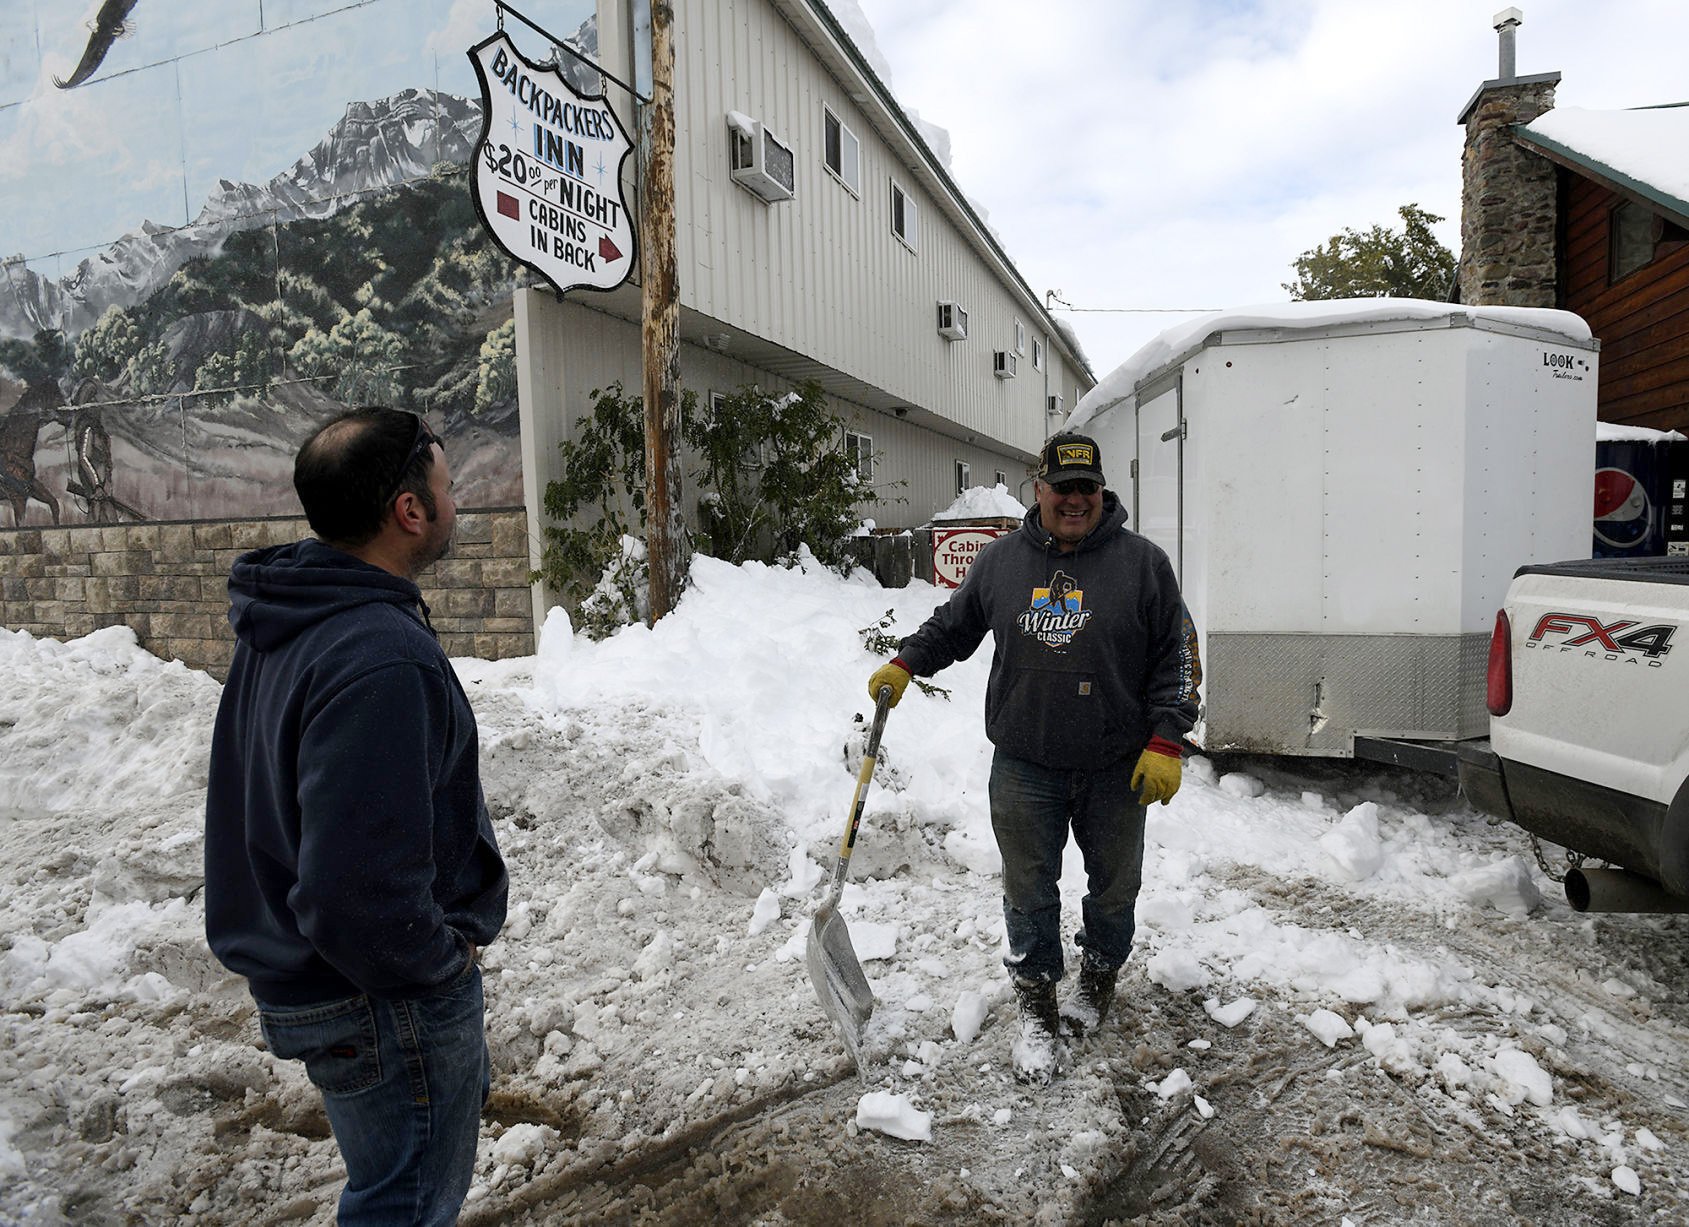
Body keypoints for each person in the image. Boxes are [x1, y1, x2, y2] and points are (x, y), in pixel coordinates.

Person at [204, 406, 508, 1224]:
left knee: (391, 1186)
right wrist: (442, 967)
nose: (455, 503)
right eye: (448, 487)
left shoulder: (298, 614)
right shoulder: (378, 654)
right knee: (403, 1204)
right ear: (410, 510)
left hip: (329, 981)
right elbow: (357, 890)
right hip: (378, 995)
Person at [867, 431, 1200, 1085]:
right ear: (1039, 489)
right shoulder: (1002, 562)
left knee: (1114, 889)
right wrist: (906, 661)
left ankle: (1097, 978)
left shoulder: (1143, 564)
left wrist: (1167, 739)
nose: (1075, 500)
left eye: (1087, 488)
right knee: (1027, 894)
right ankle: (1037, 1008)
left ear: (1101, 490)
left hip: (1116, 765)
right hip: (1024, 764)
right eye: (1062, 487)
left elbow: (1178, 656)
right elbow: (954, 626)